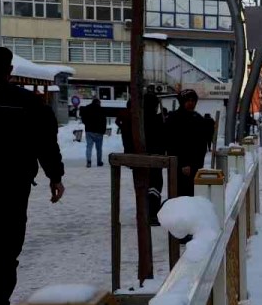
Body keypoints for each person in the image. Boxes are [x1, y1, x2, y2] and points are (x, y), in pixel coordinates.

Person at [0, 45, 65, 305]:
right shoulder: (28, 102)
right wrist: (55, 176)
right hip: (12, 188)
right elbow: (46, 142)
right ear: (10, 70)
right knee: (7, 249)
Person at [117, 89, 167, 225]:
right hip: (154, 158)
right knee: (155, 187)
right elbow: (162, 137)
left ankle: (143, 213)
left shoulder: (135, 119)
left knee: (141, 187)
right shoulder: (154, 119)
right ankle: (151, 214)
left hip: (137, 158)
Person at [164, 89, 215, 197]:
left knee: (193, 196)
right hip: (178, 167)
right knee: (178, 197)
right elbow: (171, 143)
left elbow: (201, 144)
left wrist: (194, 164)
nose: (191, 103)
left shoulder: (198, 119)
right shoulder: (174, 118)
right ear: (182, 102)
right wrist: (182, 164)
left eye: (193, 100)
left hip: (195, 167)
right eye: (188, 100)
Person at [79, 97, 106, 167]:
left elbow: (83, 117)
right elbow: (104, 121)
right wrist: (103, 130)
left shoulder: (87, 108)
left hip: (89, 131)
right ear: (98, 103)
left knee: (89, 147)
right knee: (99, 148)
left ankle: (89, 161)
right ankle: (99, 161)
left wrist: (87, 124)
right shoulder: (101, 110)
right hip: (99, 131)